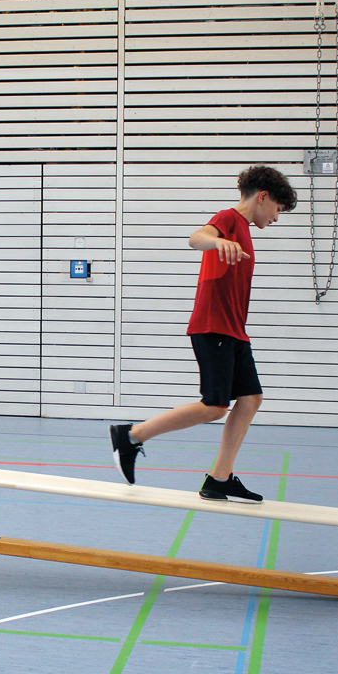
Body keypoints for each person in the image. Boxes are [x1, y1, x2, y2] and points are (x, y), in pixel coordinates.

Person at [109, 165, 297, 503]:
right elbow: (196, 238)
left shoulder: (243, 230)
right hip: (214, 326)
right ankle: (131, 435)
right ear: (263, 197)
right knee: (214, 406)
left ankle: (220, 478)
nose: (276, 218)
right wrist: (216, 242)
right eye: (278, 209)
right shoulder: (229, 219)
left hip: (234, 330)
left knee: (251, 399)